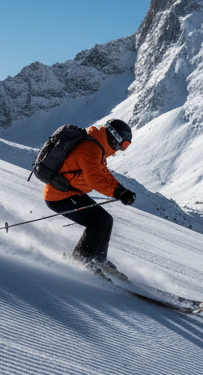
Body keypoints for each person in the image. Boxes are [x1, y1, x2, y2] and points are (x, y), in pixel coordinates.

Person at [44, 118, 136, 275]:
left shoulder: (99, 148)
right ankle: (80, 262)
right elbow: (95, 179)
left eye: (125, 146)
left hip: (71, 192)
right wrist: (118, 193)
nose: (121, 149)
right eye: (124, 145)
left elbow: (103, 172)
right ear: (115, 137)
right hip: (59, 195)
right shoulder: (91, 149)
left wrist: (120, 189)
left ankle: (99, 260)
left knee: (106, 220)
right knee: (98, 222)